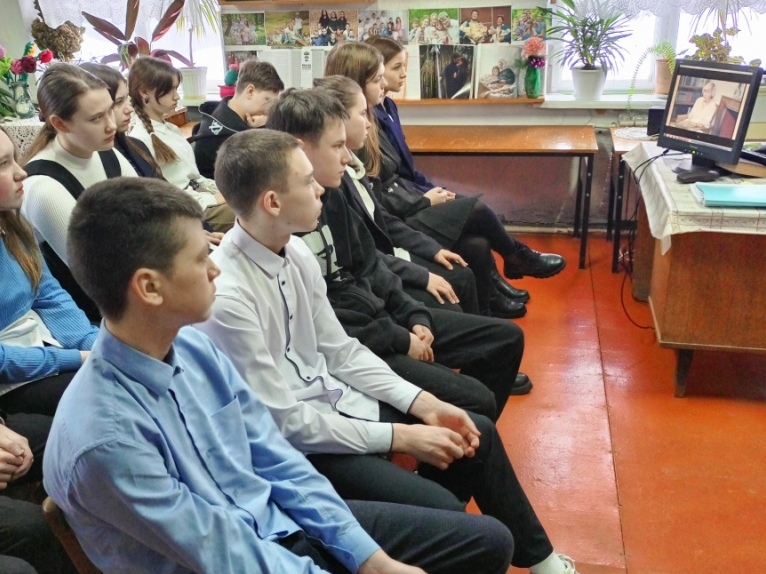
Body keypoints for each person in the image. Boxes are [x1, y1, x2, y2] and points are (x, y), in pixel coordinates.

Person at [44, 175, 515, 574]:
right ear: (149, 287)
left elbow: (276, 459)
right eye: (199, 258)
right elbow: (224, 554)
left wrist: (369, 558)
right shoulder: (107, 441)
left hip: (276, 525)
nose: (214, 270)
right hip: (238, 560)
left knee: (489, 541)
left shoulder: (193, 349)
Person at [204, 127, 580, 574]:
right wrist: (402, 436)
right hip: (304, 450)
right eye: (307, 182)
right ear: (272, 203)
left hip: (339, 406)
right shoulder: (228, 295)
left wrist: (425, 404)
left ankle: (540, 560)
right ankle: (436, 521)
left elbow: (340, 351)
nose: (321, 188)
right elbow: (286, 424)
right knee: (447, 505)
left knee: (473, 432)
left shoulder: (296, 252)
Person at [360, 38, 566, 307]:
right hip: (404, 210)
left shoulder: (388, 107)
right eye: (395, 68)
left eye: (404, 66)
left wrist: (432, 191)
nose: (403, 74)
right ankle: (517, 257)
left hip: (410, 196)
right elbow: (384, 190)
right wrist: (425, 199)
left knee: (476, 241)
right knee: (475, 209)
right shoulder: (366, 123)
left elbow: (407, 170)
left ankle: (491, 293)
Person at [313, 75, 480, 315]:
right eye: (362, 114)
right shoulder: (333, 182)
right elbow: (364, 256)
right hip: (376, 271)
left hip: (387, 255)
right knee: (456, 283)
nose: (369, 124)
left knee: (469, 258)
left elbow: (382, 218)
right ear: (340, 120)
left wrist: (432, 249)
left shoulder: (352, 165)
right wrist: (421, 276)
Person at [0, 126, 85, 574]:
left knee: (121, 381)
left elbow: (49, 295)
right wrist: (78, 359)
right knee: (89, 407)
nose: (21, 173)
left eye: (14, 158)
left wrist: (94, 344)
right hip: (14, 374)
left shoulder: (12, 223)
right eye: (3, 165)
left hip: (42, 353)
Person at [20, 63, 139, 320]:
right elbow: (99, 274)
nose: (111, 125)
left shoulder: (106, 153)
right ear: (60, 123)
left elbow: (151, 217)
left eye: (110, 110)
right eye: (96, 118)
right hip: (91, 312)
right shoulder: (43, 187)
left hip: (129, 285)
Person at [128, 56, 235, 232]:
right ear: (144, 92)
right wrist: (214, 198)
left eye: (176, 89)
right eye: (169, 90)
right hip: (185, 210)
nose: (176, 96)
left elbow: (195, 178)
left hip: (199, 196)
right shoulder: (139, 138)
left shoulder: (170, 128)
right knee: (251, 214)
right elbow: (164, 197)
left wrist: (223, 191)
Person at [194, 60, 284, 179]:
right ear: (250, 91)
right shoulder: (228, 133)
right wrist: (262, 128)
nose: (268, 109)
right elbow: (269, 165)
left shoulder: (224, 109)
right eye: (267, 100)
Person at [79, 62, 164, 179]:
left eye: (127, 98)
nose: (129, 109)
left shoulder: (137, 145)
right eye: (118, 102)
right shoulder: (93, 165)